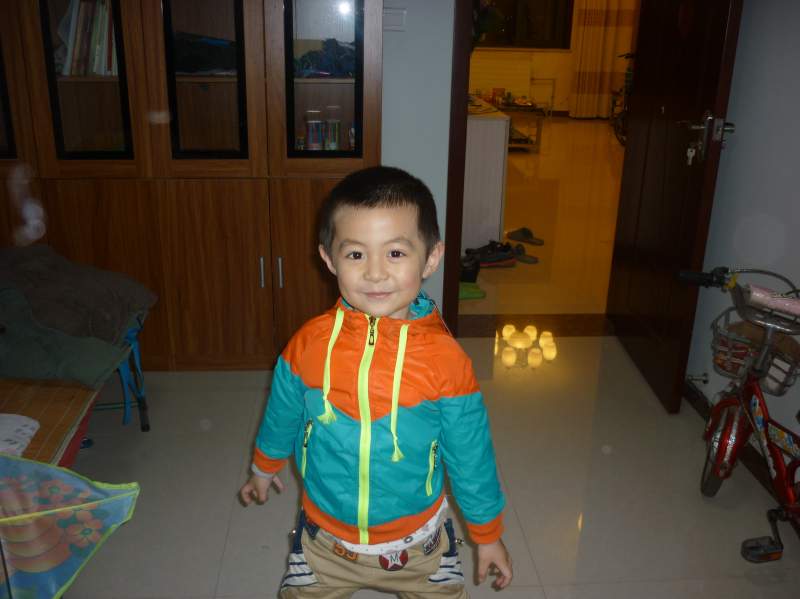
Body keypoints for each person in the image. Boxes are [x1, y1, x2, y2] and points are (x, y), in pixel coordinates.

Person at [239, 166, 512, 598]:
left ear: (432, 257)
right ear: (329, 258)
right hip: (324, 542)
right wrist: (263, 466)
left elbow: (470, 454)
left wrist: (488, 534)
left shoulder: (446, 362)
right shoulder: (308, 344)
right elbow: (282, 412)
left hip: (420, 547)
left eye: (396, 253)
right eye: (355, 255)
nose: (375, 273)